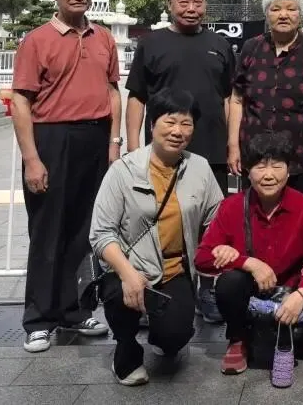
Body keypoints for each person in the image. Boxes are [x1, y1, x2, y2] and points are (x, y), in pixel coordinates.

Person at [10, 0, 119, 353]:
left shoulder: (103, 37)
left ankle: (74, 311)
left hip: (95, 138)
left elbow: (112, 91)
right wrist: (32, 159)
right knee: (47, 232)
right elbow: (21, 101)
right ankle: (39, 319)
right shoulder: (37, 40)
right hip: (52, 139)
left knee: (83, 230)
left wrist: (114, 143)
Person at [89, 89, 225, 385]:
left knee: (174, 337)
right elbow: (100, 234)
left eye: (186, 124)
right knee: (120, 295)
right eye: (170, 121)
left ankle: (163, 331)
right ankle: (126, 348)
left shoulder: (199, 167)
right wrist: (128, 274)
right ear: (152, 124)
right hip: (129, 266)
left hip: (174, 270)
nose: (178, 131)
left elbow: (218, 217)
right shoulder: (124, 170)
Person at [124, 0, 235, 324]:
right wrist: (132, 147)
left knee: (211, 224)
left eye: (197, 2)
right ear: (170, 4)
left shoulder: (220, 44)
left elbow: (230, 98)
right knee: (158, 219)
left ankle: (207, 289)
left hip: (211, 150)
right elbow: (137, 97)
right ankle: (153, 289)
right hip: (162, 152)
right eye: (184, 2)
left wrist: (233, 143)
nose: (191, 8)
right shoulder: (151, 44)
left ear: (205, 5)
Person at [195, 130, 303, 376]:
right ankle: (238, 338)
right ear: (248, 171)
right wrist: (247, 262)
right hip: (252, 292)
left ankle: (291, 329)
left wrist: (300, 295)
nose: (268, 175)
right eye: (260, 167)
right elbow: (202, 258)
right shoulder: (232, 206)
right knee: (229, 283)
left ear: (288, 171)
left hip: (290, 289)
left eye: (277, 166)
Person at [228, 0, 303, 193]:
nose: (284, 15)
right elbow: (237, 99)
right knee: (253, 209)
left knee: (299, 209)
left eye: (291, 9)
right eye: (276, 9)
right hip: (255, 155)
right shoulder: (251, 48)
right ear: (266, 14)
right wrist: (233, 146)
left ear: (300, 14)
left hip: (302, 157)